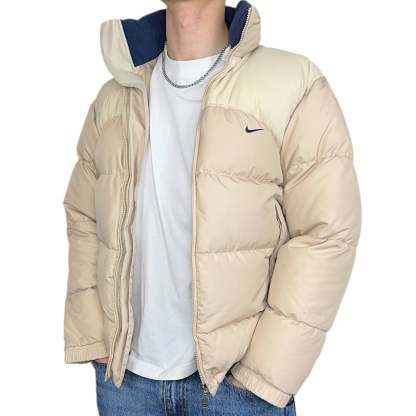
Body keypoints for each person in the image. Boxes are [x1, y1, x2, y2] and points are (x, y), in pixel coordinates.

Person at [62, 0, 361, 414]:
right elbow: (84, 216)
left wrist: (267, 371)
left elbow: (326, 231)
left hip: (237, 388)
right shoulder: (116, 96)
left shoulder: (293, 85)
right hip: (126, 384)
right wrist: (95, 335)